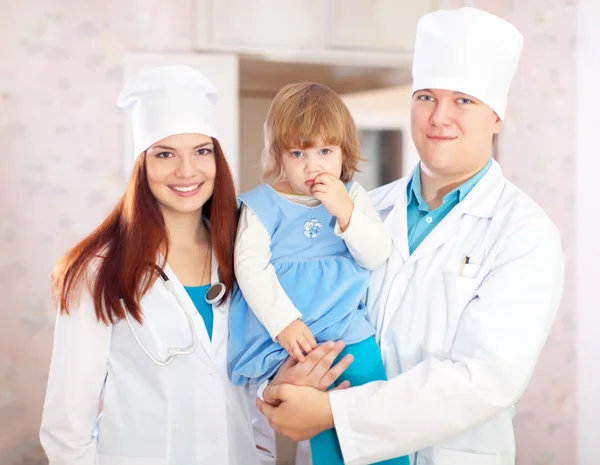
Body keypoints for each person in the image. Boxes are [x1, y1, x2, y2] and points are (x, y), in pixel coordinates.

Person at [256, 7, 565, 465]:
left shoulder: (524, 233)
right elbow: (296, 308)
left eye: (463, 100)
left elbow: (482, 380)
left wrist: (335, 413)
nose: (440, 116)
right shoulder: (359, 209)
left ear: (497, 117)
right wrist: (280, 379)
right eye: (426, 97)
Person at [38, 65, 351, 465]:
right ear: (141, 165)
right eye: (165, 154)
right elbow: (66, 431)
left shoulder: (248, 258)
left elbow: (237, 390)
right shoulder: (97, 273)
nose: (187, 171)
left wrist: (276, 391)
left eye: (202, 151)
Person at [227, 82, 408, 464]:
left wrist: (344, 210)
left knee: (374, 416)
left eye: (326, 151)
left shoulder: (353, 196)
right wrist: (284, 323)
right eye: (299, 153)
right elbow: (249, 268)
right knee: (316, 424)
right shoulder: (260, 206)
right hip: (290, 340)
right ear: (279, 155)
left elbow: (376, 255)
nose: (314, 166)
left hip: (347, 331)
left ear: (344, 152)